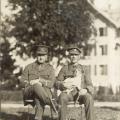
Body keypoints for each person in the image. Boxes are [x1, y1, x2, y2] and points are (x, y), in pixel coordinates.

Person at [55, 44, 94, 120]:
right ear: (69, 56)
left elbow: (90, 85)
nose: (74, 56)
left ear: (79, 56)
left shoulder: (84, 69)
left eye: (76, 55)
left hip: (80, 94)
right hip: (67, 93)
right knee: (62, 97)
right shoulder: (64, 68)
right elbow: (56, 83)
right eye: (72, 55)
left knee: (89, 98)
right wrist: (63, 85)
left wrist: (85, 90)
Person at [20, 45, 56, 120]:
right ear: (36, 55)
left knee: (39, 94)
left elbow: (51, 83)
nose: (41, 57)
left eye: (43, 55)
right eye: (39, 55)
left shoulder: (50, 68)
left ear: (46, 57)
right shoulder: (29, 67)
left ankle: (38, 117)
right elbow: (22, 82)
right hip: (29, 92)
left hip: (42, 93)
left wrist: (40, 81)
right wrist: (31, 83)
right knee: (36, 85)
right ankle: (51, 103)